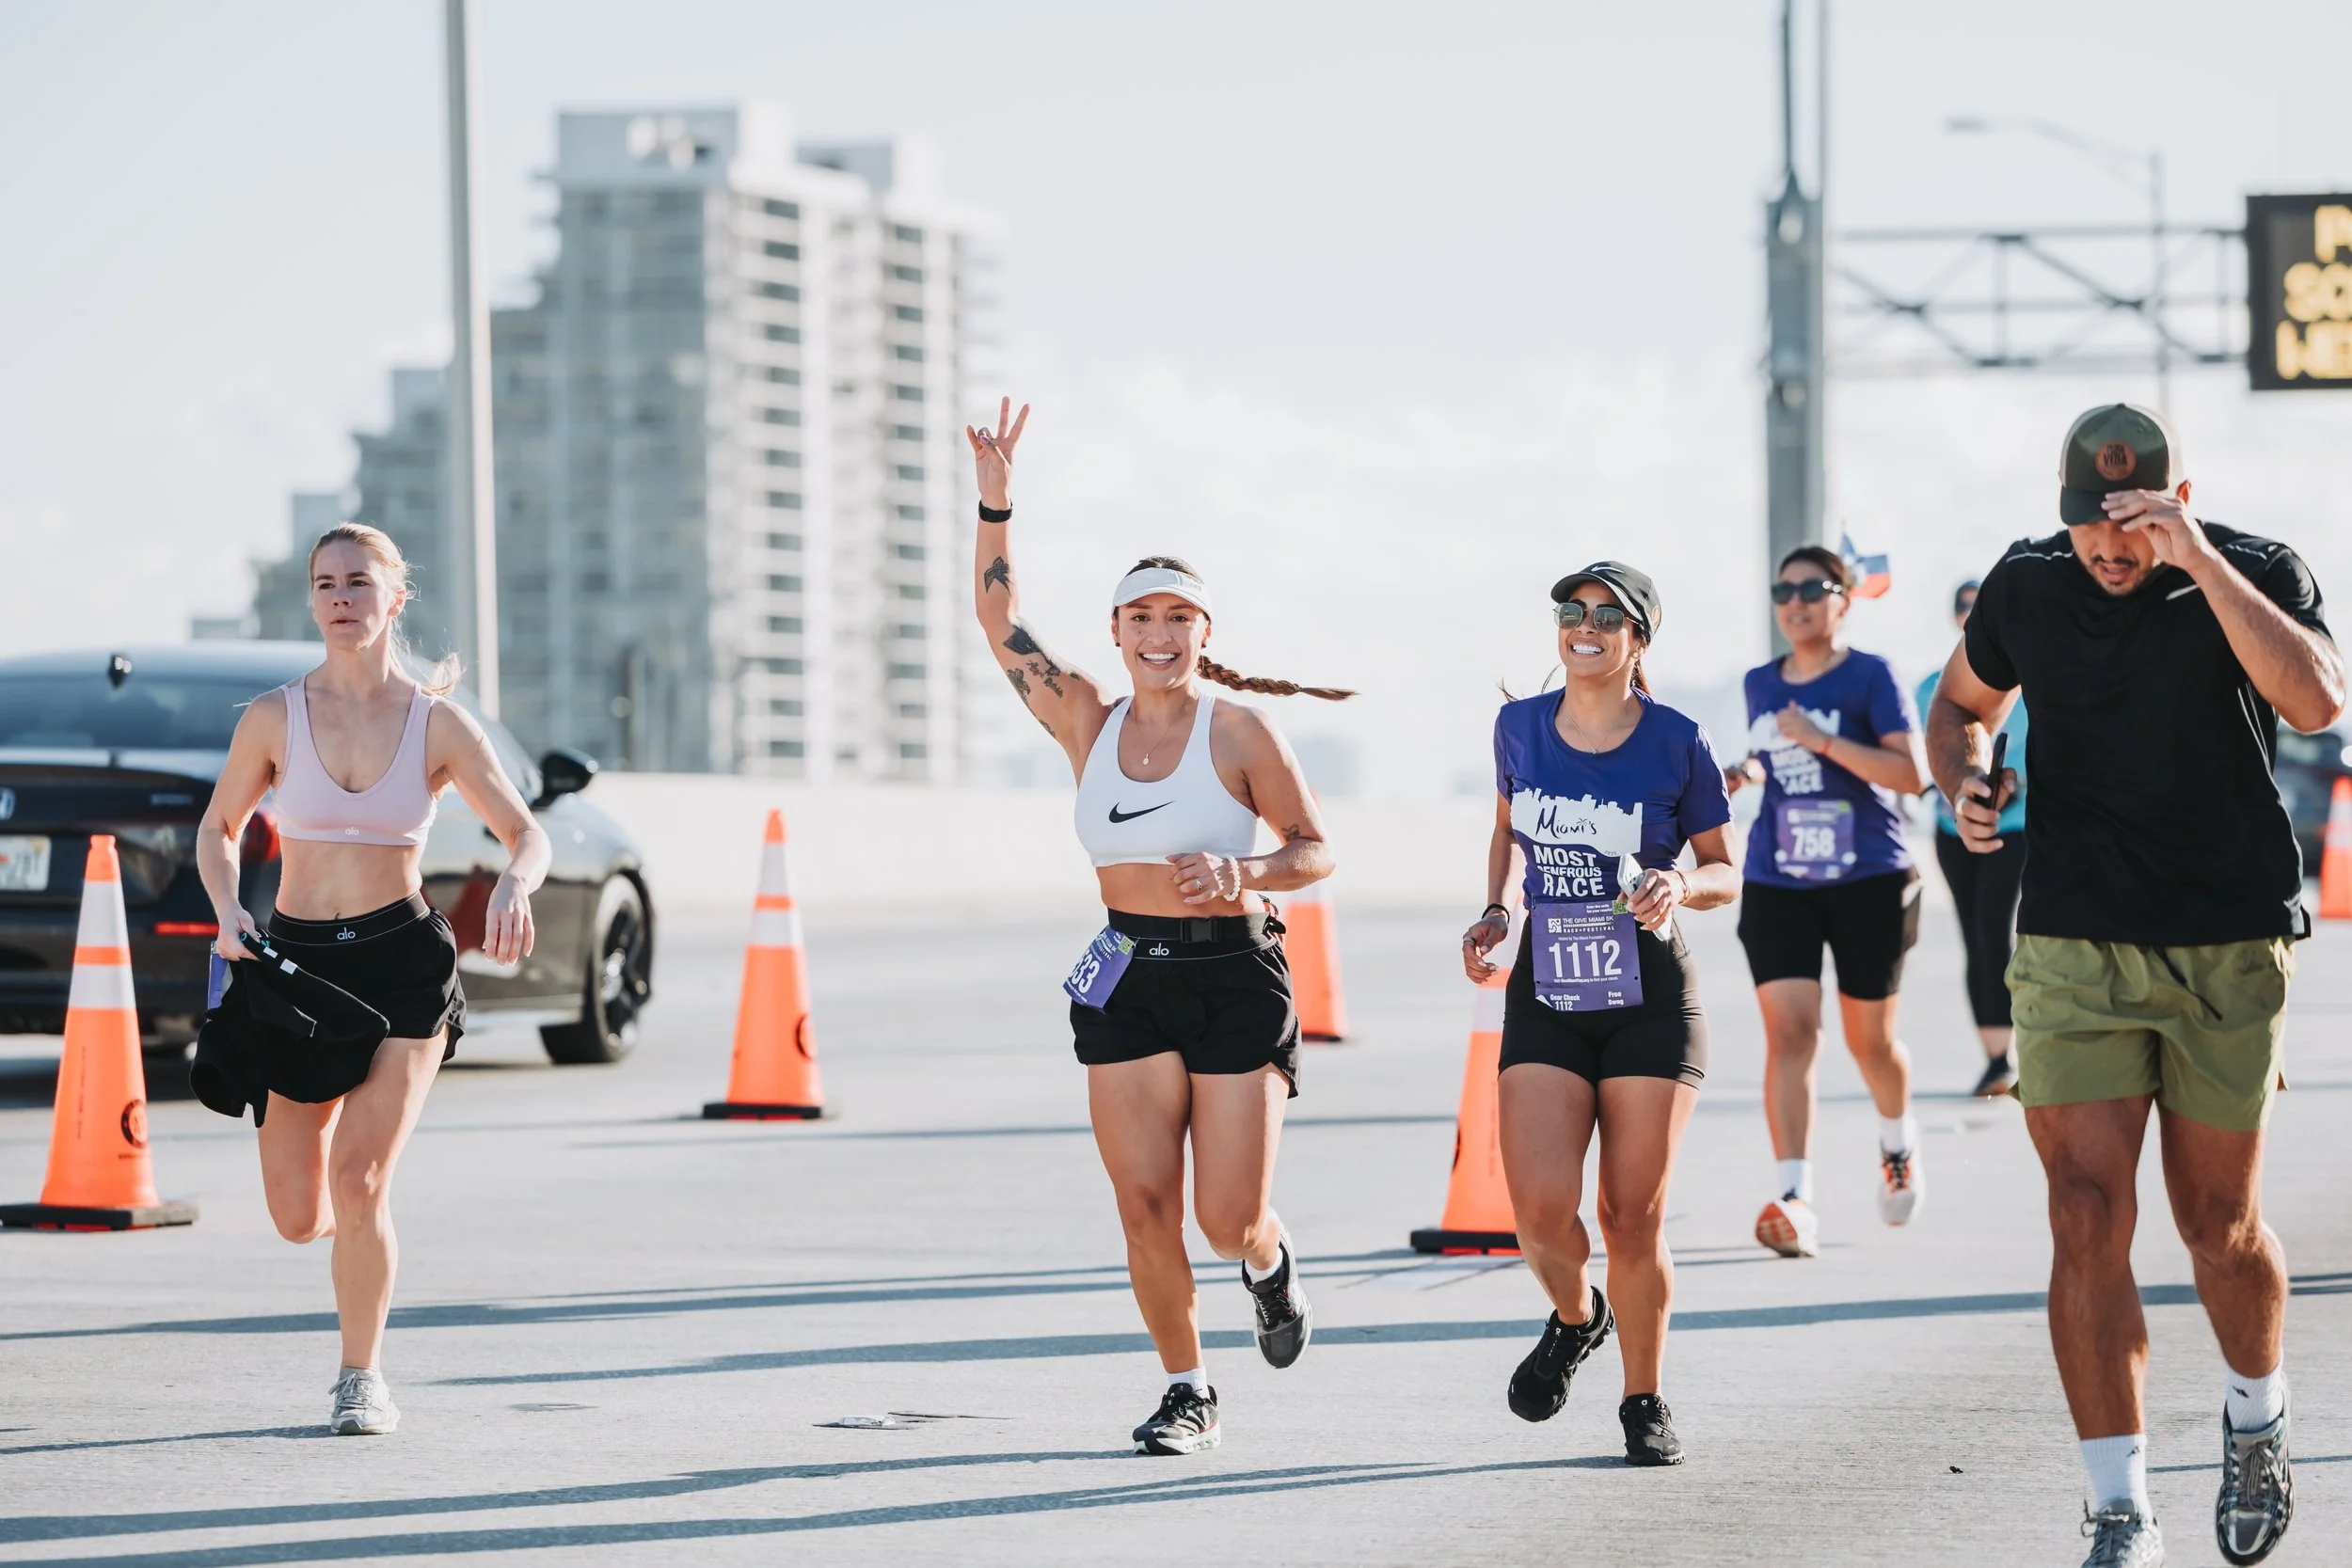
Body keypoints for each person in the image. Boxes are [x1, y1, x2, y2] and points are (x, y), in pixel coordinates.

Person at [1929, 404, 2343, 1568]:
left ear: (2174, 495)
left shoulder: (2251, 569)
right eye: (2090, 527)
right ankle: (2119, 1504)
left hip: (2226, 938)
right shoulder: (2023, 583)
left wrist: (2194, 557)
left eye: (2131, 526)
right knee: (2082, 1213)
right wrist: (1961, 780)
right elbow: (1959, 705)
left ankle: (2255, 1418)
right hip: (2071, 938)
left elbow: (2317, 700)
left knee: (2217, 1226)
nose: (2108, 553)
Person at [966, 399, 1347, 1456]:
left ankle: (1267, 1262)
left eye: (1180, 618)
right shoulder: (1084, 716)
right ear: (1118, 633)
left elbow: (1315, 848)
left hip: (1234, 972)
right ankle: (1188, 1387)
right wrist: (996, 501)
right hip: (1125, 969)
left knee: (1225, 1218)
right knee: (1144, 1206)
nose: (1161, 635)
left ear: (1205, 634)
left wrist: (1247, 868)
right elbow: (998, 626)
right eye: (1143, 618)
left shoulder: (1240, 730)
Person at [195, 524, 548, 1436]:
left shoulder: (437, 722)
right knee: (295, 1213)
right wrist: (230, 908)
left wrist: (514, 878)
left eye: (359, 581)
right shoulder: (274, 716)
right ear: (312, 601)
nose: (341, 596)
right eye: (325, 583)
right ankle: (347, 1250)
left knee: (359, 1183)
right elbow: (216, 829)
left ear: (396, 598)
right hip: (295, 969)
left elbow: (528, 833)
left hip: (402, 967)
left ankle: (362, 1376)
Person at [1462, 562, 1737, 1467]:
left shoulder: (1677, 740)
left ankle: (1644, 1396)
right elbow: (1506, 827)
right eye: (1570, 611)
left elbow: (1724, 869)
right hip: (1548, 983)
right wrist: (1499, 907)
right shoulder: (1517, 727)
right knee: (1539, 1214)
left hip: (1651, 996)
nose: (1584, 626)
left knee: (1631, 1213)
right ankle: (1579, 1316)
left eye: (1606, 616)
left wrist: (1682, 882)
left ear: (1638, 638)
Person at [1724, 546, 1929, 1259]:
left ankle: (1898, 1141)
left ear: (1844, 598)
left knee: (1867, 1040)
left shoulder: (1871, 675)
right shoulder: (1758, 683)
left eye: (1813, 587)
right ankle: (1795, 1193)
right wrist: (1744, 770)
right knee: (1790, 1034)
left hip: (1869, 876)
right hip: (1780, 878)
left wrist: (1822, 739)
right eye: (1784, 588)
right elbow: (1767, 752)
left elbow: (1911, 773)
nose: (1796, 600)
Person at [1916, 578, 2030, 1098]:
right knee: (1977, 940)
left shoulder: (2029, 684)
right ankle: (1995, 1059)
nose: (1970, 615)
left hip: (2019, 828)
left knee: (2000, 934)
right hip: (1950, 830)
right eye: (1963, 608)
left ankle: (2021, 1051)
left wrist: (2013, 786)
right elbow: (1930, 755)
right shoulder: (1931, 688)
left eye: (1978, 606)